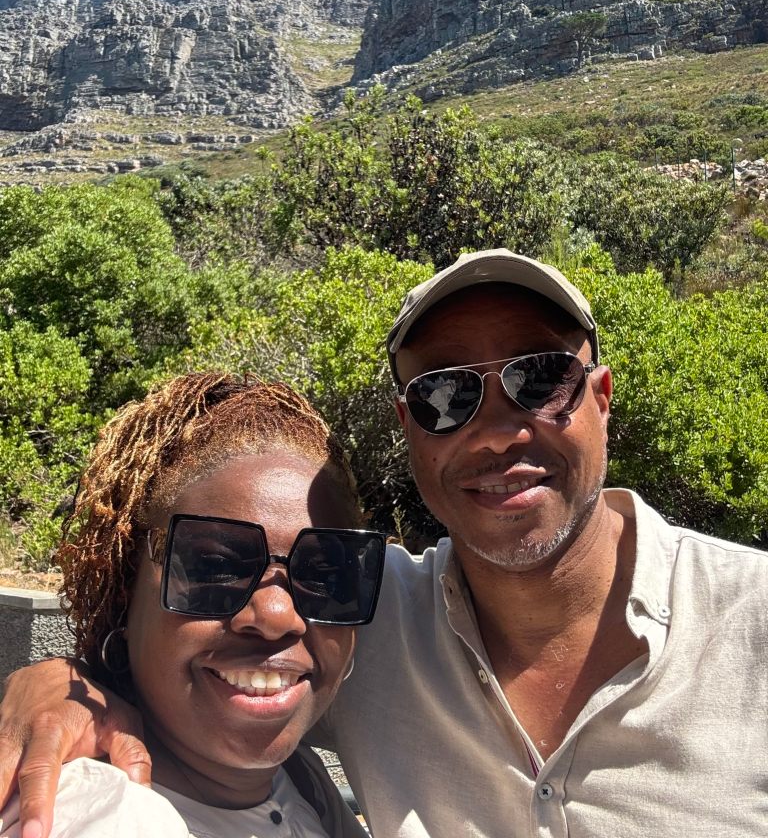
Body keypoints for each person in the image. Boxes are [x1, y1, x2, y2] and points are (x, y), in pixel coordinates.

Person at [2, 250, 767, 837]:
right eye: (445, 395)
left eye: (540, 379)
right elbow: (186, 656)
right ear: (408, 428)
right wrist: (61, 688)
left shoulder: (752, 619)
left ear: (601, 396)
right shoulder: (357, 614)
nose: (498, 432)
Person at [0, 372, 385, 838]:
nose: (277, 616)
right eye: (215, 567)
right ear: (125, 589)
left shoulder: (301, 781)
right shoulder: (107, 815)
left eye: (326, 574)